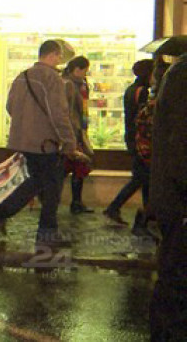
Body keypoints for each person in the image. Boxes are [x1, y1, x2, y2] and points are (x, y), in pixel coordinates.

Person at [0, 40, 88, 247]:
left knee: (42, 182)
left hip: (23, 141)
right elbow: (59, 114)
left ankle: (40, 229)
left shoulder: (22, 76)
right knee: (49, 185)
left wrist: (25, 125)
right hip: (45, 142)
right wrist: (69, 142)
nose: (60, 61)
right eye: (59, 57)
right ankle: (9, 215)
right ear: (52, 55)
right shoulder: (52, 78)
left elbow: (10, 107)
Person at [149, 53, 187, 341]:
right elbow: (179, 147)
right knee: (176, 282)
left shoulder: (178, 73)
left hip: (174, 198)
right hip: (179, 202)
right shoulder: (182, 76)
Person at [104, 59, 154, 225]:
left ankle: (148, 213)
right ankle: (114, 207)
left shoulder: (132, 89)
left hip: (133, 138)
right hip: (140, 140)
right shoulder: (143, 92)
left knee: (144, 178)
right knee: (141, 178)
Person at [61, 56, 95, 214]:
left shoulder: (80, 84)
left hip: (78, 131)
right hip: (72, 132)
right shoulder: (68, 84)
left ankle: (76, 202)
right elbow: (67, 111)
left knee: (77, 166)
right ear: (77, 69)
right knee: (73, 165)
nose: (85, 74)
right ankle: (73, 202)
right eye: (85, 70)